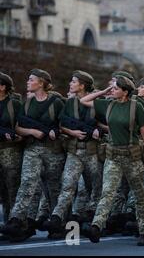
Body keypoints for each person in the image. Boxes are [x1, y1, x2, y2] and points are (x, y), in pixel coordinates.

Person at [80, 76, 144, 246]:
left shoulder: (136, 106)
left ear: (125, 91)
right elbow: (84, 100)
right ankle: (96, 226)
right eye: (112, 88)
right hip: (113, 156)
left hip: (132, 156)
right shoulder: (109, 104)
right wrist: (104, 91)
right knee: (107, 192)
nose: (113, 90)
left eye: (115, 88)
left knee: (140, 195)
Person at [2, 69, 66, 242]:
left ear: (42, 82)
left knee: (53, 187)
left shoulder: (57, 102)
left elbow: (65, 124)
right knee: (27, 181)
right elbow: (18, 126)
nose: (28, 82)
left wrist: (55, 131)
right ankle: (16, 219)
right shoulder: (28, 103)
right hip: (33, 148)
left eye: (31, 80)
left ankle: (58, 223)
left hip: (53, 150)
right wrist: (33, 131)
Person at [43, 71, 102, 237]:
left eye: (74, 81)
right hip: (74, 150)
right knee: (68, 185)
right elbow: (61, 124)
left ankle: (93, 221)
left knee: (95, 187)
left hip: (93, 151)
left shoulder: (96, 101)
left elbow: (106, 123)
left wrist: (98, 130)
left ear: (82, 85)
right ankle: (57, 217)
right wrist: (73, 132)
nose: (70, 83)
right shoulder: (70, 103)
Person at [0, 72, 23, 224]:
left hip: (10, 150)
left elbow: (22, 125)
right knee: (2, 190)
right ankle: (7, 222)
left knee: (12, 187)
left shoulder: (14, 104)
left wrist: (16, 134)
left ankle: (16, 223)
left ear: (2, 87)